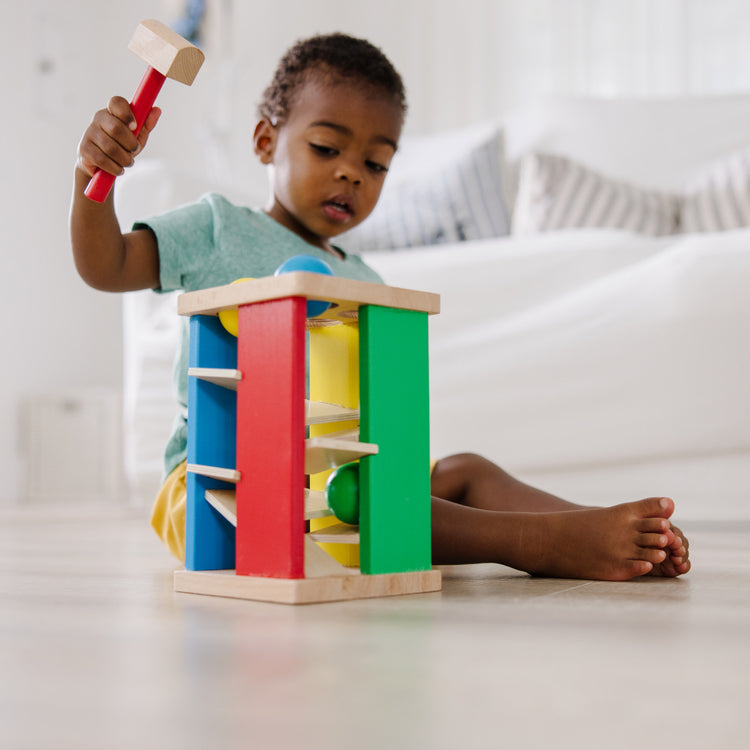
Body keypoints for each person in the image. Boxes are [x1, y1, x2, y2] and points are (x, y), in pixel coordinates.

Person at [70, 32, 690, 582]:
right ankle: (536, 543)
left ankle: (600, 527)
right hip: (224, 485)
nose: (351, 175)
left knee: (463, 469)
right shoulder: (217, 227)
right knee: (368, 500)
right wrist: (92, 183)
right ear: (266, 141)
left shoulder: (361, 276)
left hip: (340, 473)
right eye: (325, 149)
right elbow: (106, 266)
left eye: (375, 163)